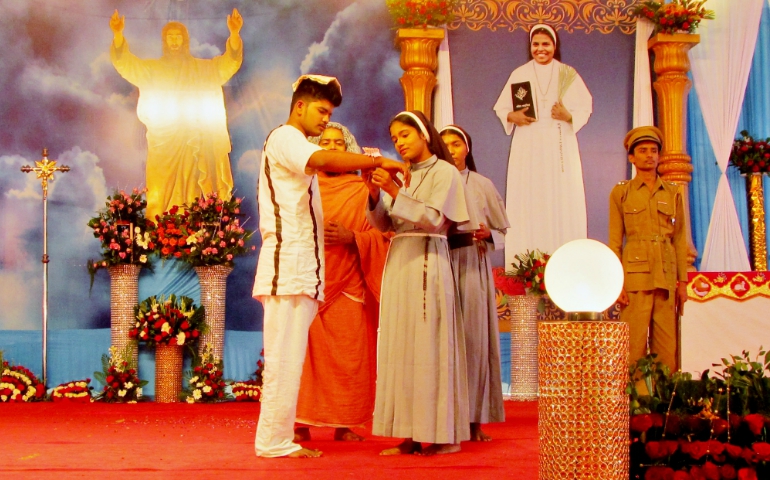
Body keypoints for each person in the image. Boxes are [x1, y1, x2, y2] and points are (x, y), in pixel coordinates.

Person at [252, 75, 408, 458]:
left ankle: (278, 439)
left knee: (290, 360)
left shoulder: (300, 145)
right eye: (322, 111)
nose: (325, 121)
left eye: (330, 114)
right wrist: (378, 159)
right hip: (287, 266)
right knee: (283, 359)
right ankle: (273, 442)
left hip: (304, 268)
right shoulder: (286, 137)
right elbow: (321, 158)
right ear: (300, 106)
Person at [365, 111, 470, 456]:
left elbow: (436, 219)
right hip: (400, 259)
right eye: (394, 138)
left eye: (405, 134)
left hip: (428, 256)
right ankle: (408, 435)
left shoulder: (445, 171)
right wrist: (374, 195)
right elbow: (384, 224)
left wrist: (394, 188)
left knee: (429, 345)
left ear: (424, 134)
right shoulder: (405, 175)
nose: (399, 142)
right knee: (400, 346)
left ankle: (442, 434)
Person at [293, 123, 391, 443]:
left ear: (349, 150)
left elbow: (385, 234)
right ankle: (297, 422)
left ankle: (345, 423)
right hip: (308, 280)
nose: (333, 148)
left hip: (349, 281)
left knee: (350, 356)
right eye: (325, 143)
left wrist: (354, 238)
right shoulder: (301, 187)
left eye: (339, 143)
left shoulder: (362, 188)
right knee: (300, 356)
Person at [109, 9, 243, 220]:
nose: (174, 41)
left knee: (193, 183)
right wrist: (118, 36)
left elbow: (228, 65)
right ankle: (160, 231)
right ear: (164, 41)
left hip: (194, 137)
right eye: (169, 37)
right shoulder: (154, 69)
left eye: (178, 37)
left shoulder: (202, 69)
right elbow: (128, 65)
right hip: (164, 140)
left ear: (185, 40)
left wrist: (234, 35)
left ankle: (192, 229)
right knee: (160, 186)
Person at [493, 23, 592, 266]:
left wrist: (569, 116)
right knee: (529, 198)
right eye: (535, 44)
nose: (540, 49)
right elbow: (502, 107)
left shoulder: (568, 73)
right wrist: (512, 116)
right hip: (528, 144)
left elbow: (585, 106)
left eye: (545, 44)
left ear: (554, 46)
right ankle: (527, 266)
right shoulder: (520, 73)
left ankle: (565, 264)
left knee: (561, 198)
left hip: (559, 145)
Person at [440, 125, 508, 442]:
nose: (451, 149)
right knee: (440, 341)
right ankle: (440, 418)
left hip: (470, 260)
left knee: (472, 340)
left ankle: (474, 420)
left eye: (457, 144)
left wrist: (488, 235)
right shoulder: (430, 181)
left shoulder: (481, 184)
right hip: (438, 259)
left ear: (467, 149)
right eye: (445, 144)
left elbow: (503, 230)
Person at [608, 126, 688, 376]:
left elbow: (680, 239)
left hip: (665, 277)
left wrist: (682, 282)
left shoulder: (673, 192)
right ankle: (636, 406)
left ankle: (663, 406)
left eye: (654, 150)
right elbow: (614, 242)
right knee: (633, 346)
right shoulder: (621, 193)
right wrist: (617, 284)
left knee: (667, 347)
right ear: (631, 157)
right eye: (642, 151)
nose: (649, 155)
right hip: (635, 278)